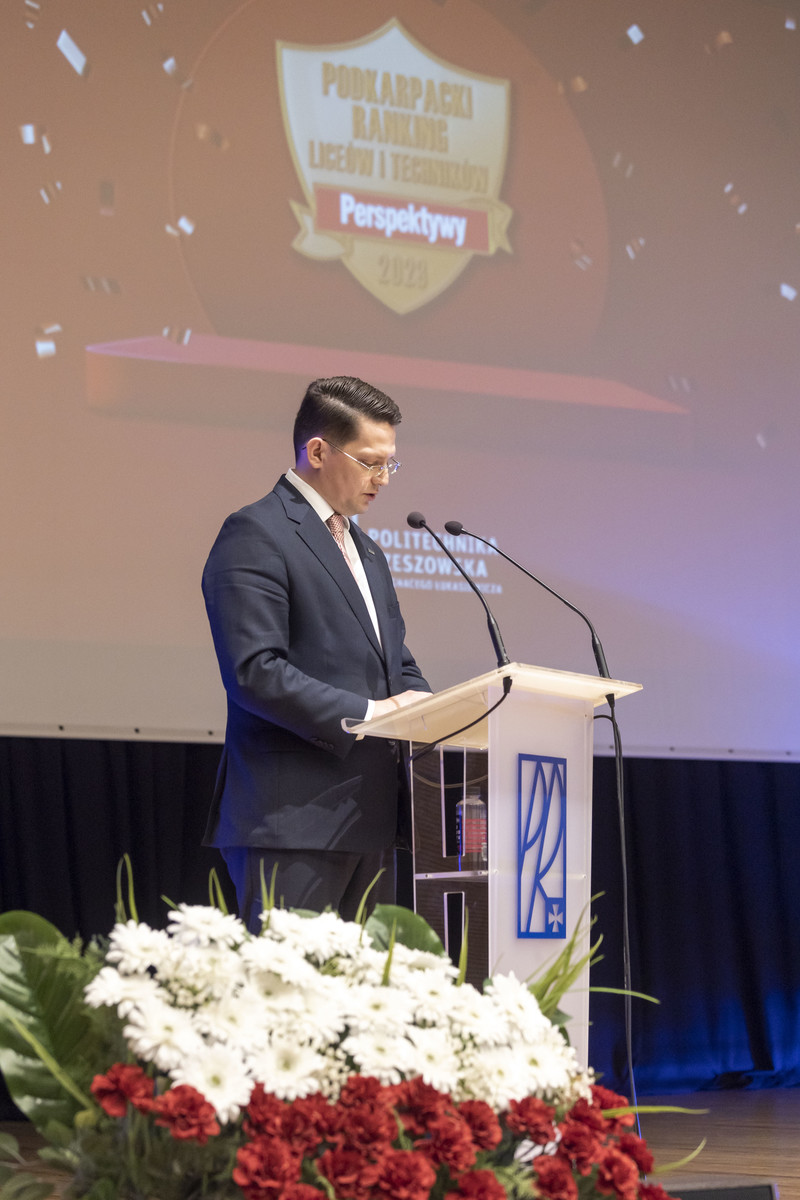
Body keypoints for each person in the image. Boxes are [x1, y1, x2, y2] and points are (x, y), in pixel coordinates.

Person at [202, 376, 430, 931]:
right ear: (319, 451)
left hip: (369, 820)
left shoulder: (367, 550)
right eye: (370, 463)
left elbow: (393, 662)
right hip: (292, 822)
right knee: (288, 986)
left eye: (390, 464)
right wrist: (370, 714)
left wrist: (432, 709)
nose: (383, 479)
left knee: (365, 987)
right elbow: (255, 672)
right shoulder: (256, 532)